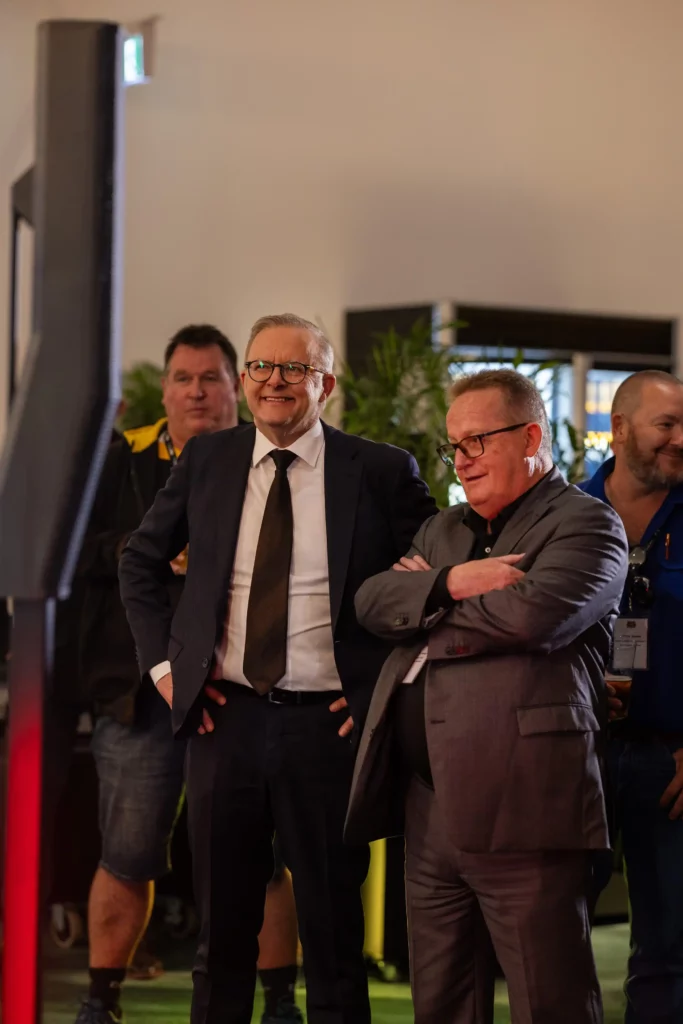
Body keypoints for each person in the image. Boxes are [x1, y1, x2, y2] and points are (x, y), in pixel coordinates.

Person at [118, 312, 437, 1024]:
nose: (275, 381)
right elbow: (138, 563)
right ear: (245, 379)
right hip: (222, 721)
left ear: (326, 384)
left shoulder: (380, 471)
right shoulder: (207, 459)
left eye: (295, 368)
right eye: (261, 366)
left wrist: (384, 685)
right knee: (221, 940)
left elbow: (434, 581)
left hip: (329, 729)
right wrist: (166, 670)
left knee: (333, 939)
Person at [345, 368, 629, 1024]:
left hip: (526, 802)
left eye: (477, 441)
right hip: (429, 806)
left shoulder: (587, 524)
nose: (462, 460)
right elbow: (372, 603)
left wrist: (422, 608)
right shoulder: (442, 530)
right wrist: (453, 584)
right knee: (441, 1002)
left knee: (549, 1000)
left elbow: (531, 619)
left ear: (530, 437)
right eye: (454, 447)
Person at [75, 324, 303, 1024]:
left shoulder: (279, 460)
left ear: (236, 386)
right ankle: (100, 1001)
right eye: (183, 379)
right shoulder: (120, 461)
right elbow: (72, 551)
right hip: (139, 695)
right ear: (165, 391)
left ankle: (280, 1003)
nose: (197, 392)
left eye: (211, 378)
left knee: (262, 856)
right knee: (127, 852)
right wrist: (145, 547)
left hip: (245, 692)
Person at [580, 369, 683, 1024]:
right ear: (618, 429)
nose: (681, 439)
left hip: (671, 764)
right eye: (666, 424)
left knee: (668, 950)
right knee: (554, 933)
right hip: (577, 757)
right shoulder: (564, 512)